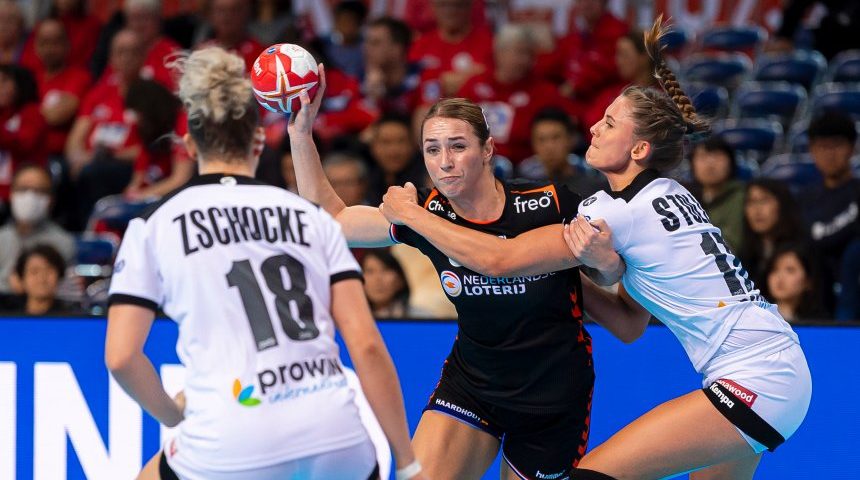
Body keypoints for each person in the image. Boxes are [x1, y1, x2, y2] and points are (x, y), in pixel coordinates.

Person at [381, 18, 811, 479]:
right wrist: (597, 271)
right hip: (775, 360)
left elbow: (498, 260)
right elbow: (629, 320)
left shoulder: (612, 212)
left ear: (639, 149)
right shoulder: (672, 193)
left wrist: (413, 213)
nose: (593, 127)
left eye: (609, 123)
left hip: (753, 377)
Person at [104, 47, 425, 480]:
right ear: (258, 141)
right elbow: (366, 346)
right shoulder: (311, 217)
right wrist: (407, 463)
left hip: (234, 435)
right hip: (335, 435)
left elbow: (121, 358)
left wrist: (173, 416)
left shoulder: (153, 226)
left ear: (188, 145)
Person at [291, 69, 608, 478]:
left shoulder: (549, 203)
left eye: (458, 146)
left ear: (488, 149)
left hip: (551, 397)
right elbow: (334, 219)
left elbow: (602, 268)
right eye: (432, 149)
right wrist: (301, 135)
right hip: (473, 384)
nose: (445, 162)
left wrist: (412, 217)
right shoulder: (428, 210)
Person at [456, 23, 569, 164]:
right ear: (499, 53)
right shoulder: (472, 86)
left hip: (524, 167)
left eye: (530, 54)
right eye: (520, 52)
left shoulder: (545, 93)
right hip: (474, 163)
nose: (526, 60)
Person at [798, 111, 860, 314]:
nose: (829, 154)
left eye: (837, 145)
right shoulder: (804, 198)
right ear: (812, 150)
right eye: (822, 146)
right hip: (815, 295)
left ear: (852, 148)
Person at [0, 164, 75, 294]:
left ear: (51, 200)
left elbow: (63, 291)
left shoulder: (63, 243)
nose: (30, 196)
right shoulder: (2, 237)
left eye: (39, 191)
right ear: (11, 194)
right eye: (23, 189)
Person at [517, 107, 606, 197]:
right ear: (533, 143)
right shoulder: (522, 189)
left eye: (556, 137)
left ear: (571, 139)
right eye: (541, 139)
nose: (549, 147)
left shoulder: (596, 186)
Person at [739, 179, 807, 289]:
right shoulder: (746, 253)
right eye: (751, 202)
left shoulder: (802, 248)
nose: (757, 210)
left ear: (782, 204)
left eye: (764, 201)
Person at [688, 136, 745, 250]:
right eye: (703, 157)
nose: (710, 164)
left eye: (717, 156)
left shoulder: (743, 197)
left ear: (731, 162)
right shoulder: (686, 198)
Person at [8, 244, 78, 315]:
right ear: (22, 278)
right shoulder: (8, 315)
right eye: (34, 271)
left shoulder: (71, 317)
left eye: (49, 271)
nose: (42, 279)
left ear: (59, 275)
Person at [763, 244, 827, 322]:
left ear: (808, 280)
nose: (780, 277)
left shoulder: (820, 323)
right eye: (774, 269)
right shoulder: (755, 317)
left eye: (790, 270)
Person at [361, 248, 428, 319]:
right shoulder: (354, 319)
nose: (378, 279)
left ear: (400, 280)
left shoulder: (423, 319)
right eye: (370, 271)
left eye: (386, 269)